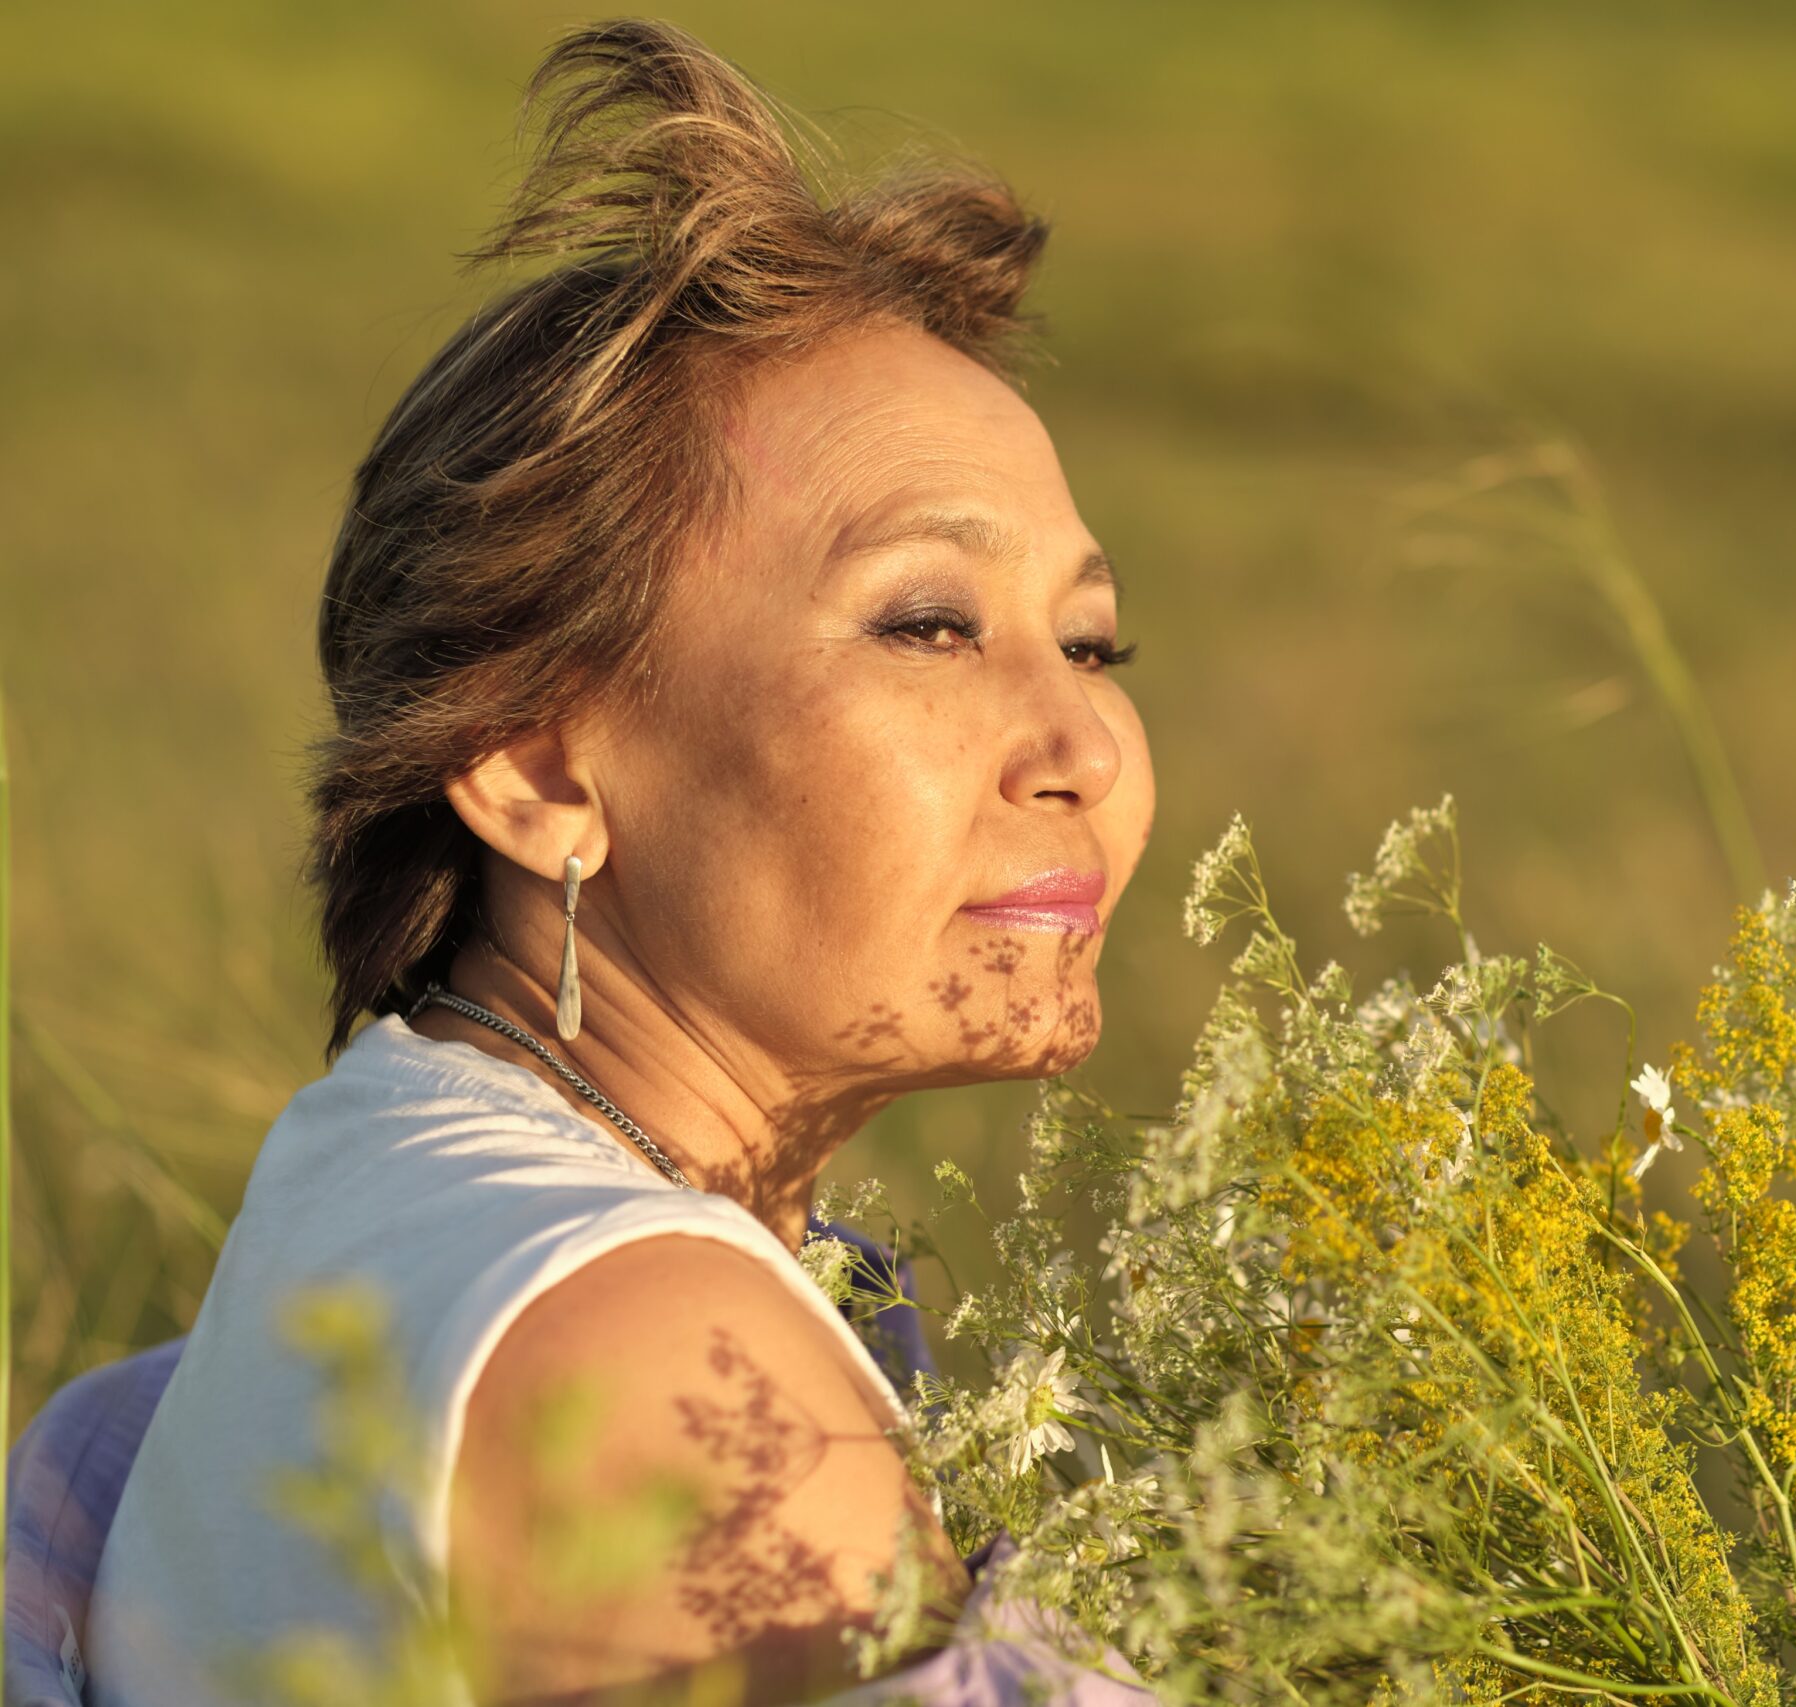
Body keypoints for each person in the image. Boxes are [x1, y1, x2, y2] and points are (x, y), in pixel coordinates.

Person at [77, 18, 1155, 1705]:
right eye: (930, 625)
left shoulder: (402, 1170)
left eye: (1094, 646)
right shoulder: (662, 1372)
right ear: (535, 765)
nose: (1084, 750)